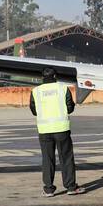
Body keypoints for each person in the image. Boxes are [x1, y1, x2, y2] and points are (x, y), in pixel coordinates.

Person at [30, 68, 81, 196]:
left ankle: (48, 189)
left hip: (44, 130)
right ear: (55, 76)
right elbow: (70, 107)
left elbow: (34, 109)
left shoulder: (36, 91)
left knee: (47, 159)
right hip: (61, 129)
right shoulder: (63, 88)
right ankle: (70, 187)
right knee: (66, 158)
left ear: (42, 77)